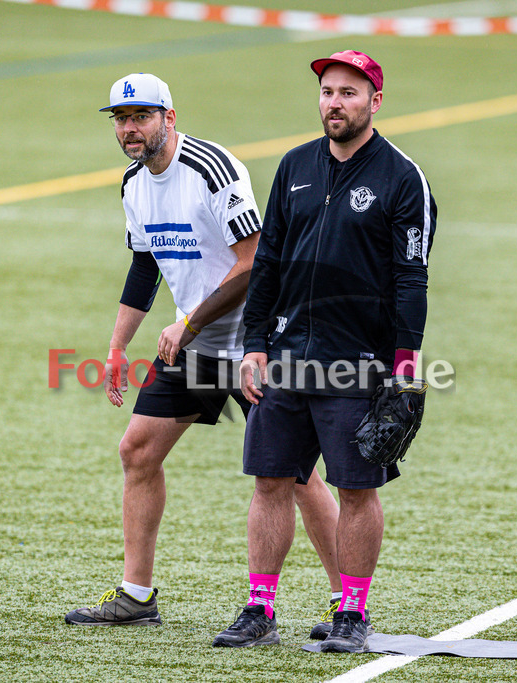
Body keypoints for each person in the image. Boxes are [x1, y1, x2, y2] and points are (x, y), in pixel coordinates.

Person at [64, 72, 342, 628]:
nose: (130, 129)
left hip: (259, 343)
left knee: (295, 474)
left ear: (169, 117)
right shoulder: (133, 184)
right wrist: (118, 345)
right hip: (196, 342)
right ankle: (136, 595)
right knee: (137, 451)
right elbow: (145, 264)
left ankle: (347, 601)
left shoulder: (212, 168)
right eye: (121, 119)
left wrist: (188, 323)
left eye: (141, 116)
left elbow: (254, 262)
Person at [212, 51, 436, 652]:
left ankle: (352, 613)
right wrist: (253, 345)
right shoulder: (294, 167)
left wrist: (406, 361)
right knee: (269, 481)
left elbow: (411, 278)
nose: (334, 102)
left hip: (356, 361)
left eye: (349, 93)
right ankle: (260, 608)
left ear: (374, 102)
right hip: (285, 355)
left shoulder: (401, 177)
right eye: (327, 92)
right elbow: (268, 266)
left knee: (355, 489)